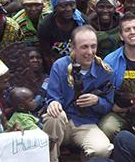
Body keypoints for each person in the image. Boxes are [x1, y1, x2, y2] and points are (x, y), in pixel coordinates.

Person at [43, 25, 114, 162]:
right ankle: (51, 158)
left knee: (103, 150)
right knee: (53, 116)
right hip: (62, 123)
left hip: (85, 124)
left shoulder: (104, 71)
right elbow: (52, 96)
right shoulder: (60, 66)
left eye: (93, 46)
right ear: (73, 48)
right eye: (84, 47)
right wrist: (53, 102)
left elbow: (108, 105)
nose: (89, 52)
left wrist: (97, 101)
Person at [38, 0, 86, 65]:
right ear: (55, 7)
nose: (69, 9)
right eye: (64, 6)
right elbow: (46, 55)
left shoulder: (82, 21)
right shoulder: (46, 26)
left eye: (72, 4)